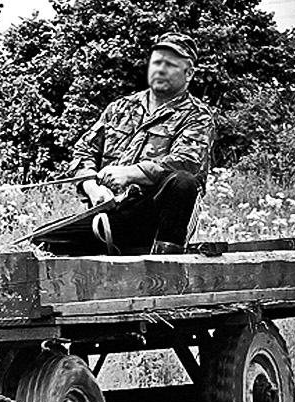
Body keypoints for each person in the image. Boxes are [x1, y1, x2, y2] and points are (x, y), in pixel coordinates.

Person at [36, 32, 216, 256]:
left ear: (188, 73)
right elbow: (83, 151)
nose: (160, 69)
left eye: (169, 65)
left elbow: (186, 163)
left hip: (153, 216)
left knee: (182, 182)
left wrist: (130, 173)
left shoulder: (198, 116)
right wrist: (93, 189)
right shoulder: (120, 107)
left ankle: (166, 270)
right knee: (41, 242)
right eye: (156, 62)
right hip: (111, 214)